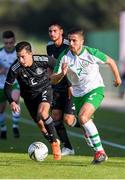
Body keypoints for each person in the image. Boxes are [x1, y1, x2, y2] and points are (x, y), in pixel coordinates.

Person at [50, 28, 122, 164]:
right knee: (84, 125)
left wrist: (118, 79)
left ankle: (100, 152)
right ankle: (99, 154)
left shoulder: (91, 52)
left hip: (95, 89)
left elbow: (111, 61)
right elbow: (53, 79)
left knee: (83, 117)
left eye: (74, 40)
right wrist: (62, 74)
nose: (71, 43)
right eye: (69, 40)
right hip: (78, 94)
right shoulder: (64, 56)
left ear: (81, 42)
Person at [4, 41, 61, 160]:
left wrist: (57, 76)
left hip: (45, 90)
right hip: (29, 98)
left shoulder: (43, 60)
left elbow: (57, 65)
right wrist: (12, 102)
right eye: (18, 57)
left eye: (23, 56)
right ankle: (51, 139)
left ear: (30, 54)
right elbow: (7, 87)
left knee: (43, 113)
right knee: (41, 125)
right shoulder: (15, 68)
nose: (21, 60)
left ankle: (55, 143)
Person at [47, 22, 78, 156]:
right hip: (57, 86)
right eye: (50, 31)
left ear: (61, 32)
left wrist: (71, 85)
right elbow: (51, 67)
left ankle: (85, 123)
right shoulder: (49, 47)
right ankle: (68, 147)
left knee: (69, 121)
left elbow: (73, 67)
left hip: (70, 86)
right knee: (55, 117)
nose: (52, 34)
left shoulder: (69, 45)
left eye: (55, 31)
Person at [0, 30, 21, 139]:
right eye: (6, 43)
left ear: (14, 41)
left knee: (15, 99)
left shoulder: (19, 53)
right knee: (1, 109)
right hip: (1, 83)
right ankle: (3, 129)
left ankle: (15, 126)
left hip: (15, 82)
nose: (8, 45)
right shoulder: (0, 53)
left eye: (10, 43)